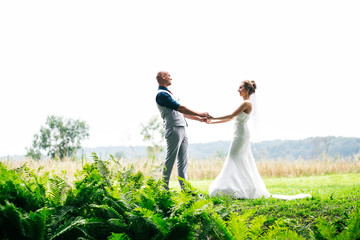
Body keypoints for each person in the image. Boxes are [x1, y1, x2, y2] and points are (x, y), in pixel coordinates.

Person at [207, 80, 311, 200]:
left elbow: (230, 115)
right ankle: (236, 187)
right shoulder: (244, 103)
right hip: (238, 134)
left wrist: (213, 116)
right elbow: (231, 119)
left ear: (247, 90)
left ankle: (231, 187)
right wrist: (213, 122)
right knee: (238, 159)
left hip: (241, 136)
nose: (238, 90)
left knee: (233, 157)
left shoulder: (246, 103)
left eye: (241, 87)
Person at [156, 71, 210, 190]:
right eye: (169, 76)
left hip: (182, 127)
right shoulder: (162, 94)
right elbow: (181, 108)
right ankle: (164, 189)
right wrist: (200, 113)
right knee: (171, 159)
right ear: (163, 77)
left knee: (183, 160)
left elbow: (182, 112)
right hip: (173, 128)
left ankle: (185, 190)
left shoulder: (169, 93)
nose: (171, 78)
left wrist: (200, 119)